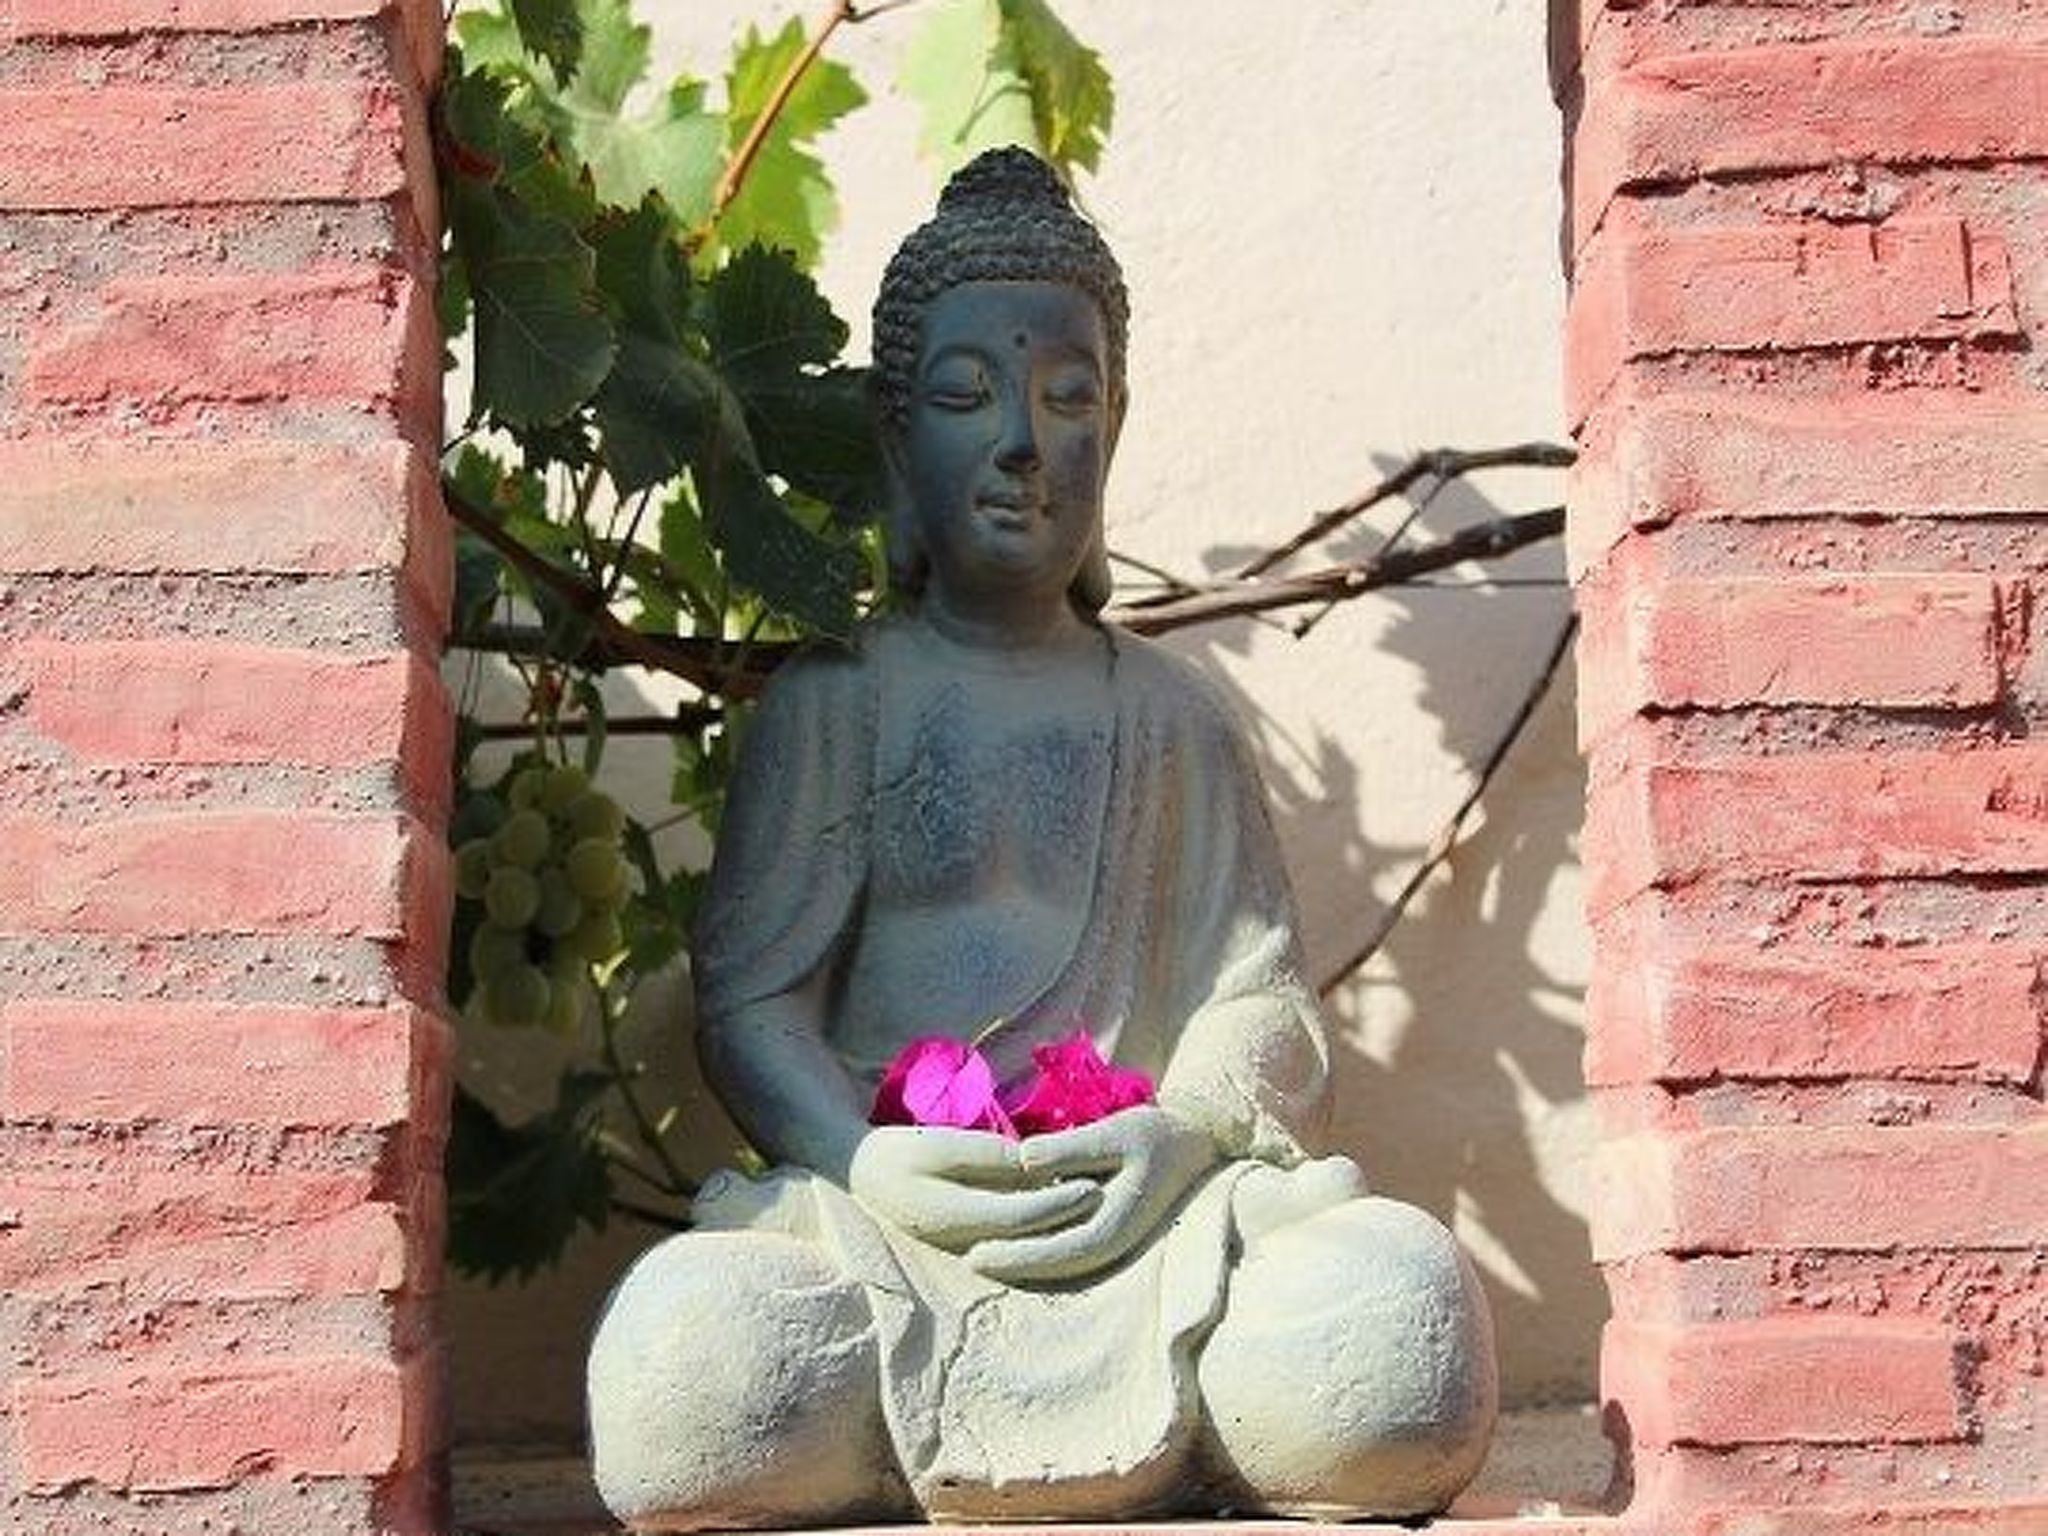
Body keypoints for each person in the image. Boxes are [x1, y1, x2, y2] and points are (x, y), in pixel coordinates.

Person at [587, 147, 1496, 1530]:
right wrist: (862, 1156)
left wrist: (1183, 1134)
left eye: (1069, 399)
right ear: (899, 438)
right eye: (968, 397)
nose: (1023, 441)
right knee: (688, 1375)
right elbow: (754, 1004)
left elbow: (1260, 1003)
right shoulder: (836, 702)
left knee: (1394, 1328)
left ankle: (1178, 1404)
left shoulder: (1174, 719)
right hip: (889, 1225)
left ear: (1112, 429)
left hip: (1151, 1224)